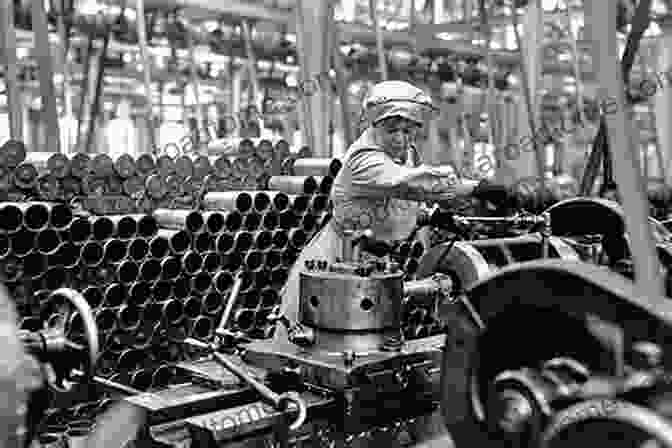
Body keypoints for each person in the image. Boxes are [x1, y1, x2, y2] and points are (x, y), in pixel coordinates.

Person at [276, 80, 511, 327]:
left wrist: (431, 217)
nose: (400, 139)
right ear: (375, 125)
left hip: (375, 261)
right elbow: (413, 185)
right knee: (328, 334)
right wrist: (477, 188)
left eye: (407, 131)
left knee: (372, 337)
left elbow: (397, 203)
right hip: (339, 261)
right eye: (392, 130)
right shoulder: (365, 160)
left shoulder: (403, 155)